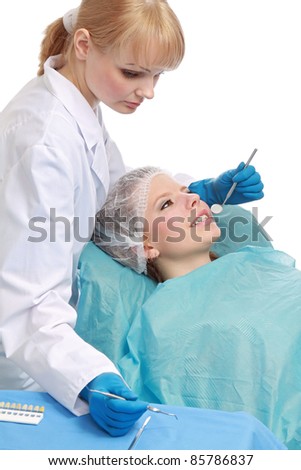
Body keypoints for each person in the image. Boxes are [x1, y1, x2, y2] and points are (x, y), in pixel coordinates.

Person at [0, 0, 263, 437]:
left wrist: (196, 193)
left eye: (157, 75)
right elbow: (26, 305)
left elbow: (111, 198)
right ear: (84, 45)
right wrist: (85, 378)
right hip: (23, 357)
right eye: (134, 73)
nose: (149, 91)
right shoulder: (44, 140)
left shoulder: (79, 104)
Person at [94, 166, 301, 449]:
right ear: (144, 246)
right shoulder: (163, 328)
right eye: (166, 204)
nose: (193, 199)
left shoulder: (258, 264)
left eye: (188, 192)